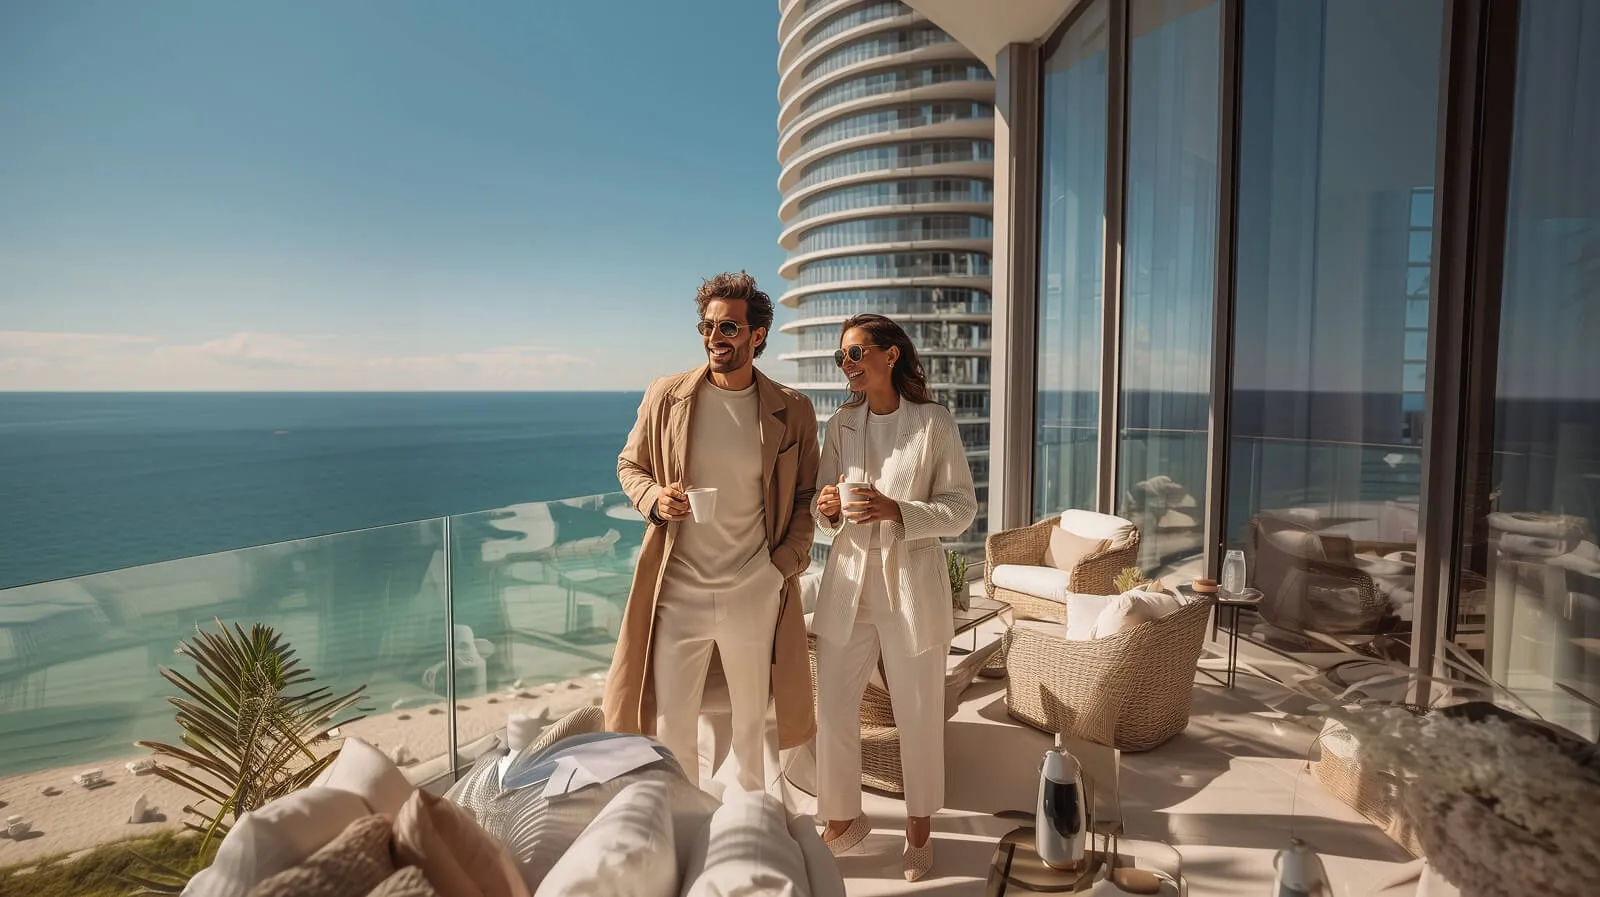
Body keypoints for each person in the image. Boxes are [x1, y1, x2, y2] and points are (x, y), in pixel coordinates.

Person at [601, 271, 820, 794]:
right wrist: (655, 499)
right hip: (678, 588)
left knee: (752, 725)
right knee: (674, 726)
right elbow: (630, 466)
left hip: (755, 586)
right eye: (707, 326)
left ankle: (749, 832)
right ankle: (686, 831)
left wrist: (782, 566)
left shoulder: (792, 409)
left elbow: (808, 497)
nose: (714, 338)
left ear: (757, 335)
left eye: (728, 328)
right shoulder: (666, 396)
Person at [810, 313, 977, 881]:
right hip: (848, 589)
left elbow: (961, 510)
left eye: (857, 354)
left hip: (908, 592)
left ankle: (919, 827)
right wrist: (826, 508)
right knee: (832, 707)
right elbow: (819, 504)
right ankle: (843, 819)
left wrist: (896, 511)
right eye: (842, 358)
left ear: (891, 356)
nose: (848, 366)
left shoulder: (933, 423)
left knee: (919, 714)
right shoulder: (841, 424)